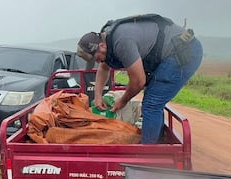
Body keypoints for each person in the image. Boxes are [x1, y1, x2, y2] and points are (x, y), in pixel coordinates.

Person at [76, 14, 203, 144]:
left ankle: (148, 155)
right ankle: (155, 142)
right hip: (168, 53)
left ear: (101, 46)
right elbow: (103, 68)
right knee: (153, 102)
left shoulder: (122, 42)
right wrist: (98, 96)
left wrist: (123, 100)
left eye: (95, 58)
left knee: (151, 104)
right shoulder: (106, 41)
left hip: (183, 51)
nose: (97, 61)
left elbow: (138, 81)